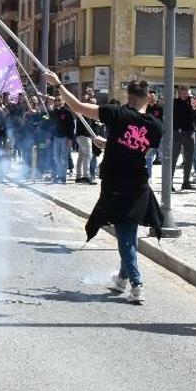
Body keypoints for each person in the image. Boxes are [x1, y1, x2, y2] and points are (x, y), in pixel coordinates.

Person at [46, 73, 162, 305]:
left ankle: (136, 283)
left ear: (128, 96)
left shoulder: (115, 113)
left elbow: (77, 106)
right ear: (148, 97)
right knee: (129, 231)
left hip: (117, 183)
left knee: (125, 234)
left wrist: (57, 84)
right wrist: (109, 143)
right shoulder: (156, 125)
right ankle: (122, 279)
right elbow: (143, 151)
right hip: (138, 182)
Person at [172, 85, 196, 190]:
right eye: (182, 91)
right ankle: (169, 182)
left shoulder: (191, 102)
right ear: (179, 92)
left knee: (189, 158)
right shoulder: (174, 102)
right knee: (173, 158)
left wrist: (192, 102)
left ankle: (186, 182)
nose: (184, 94)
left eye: (186, 92)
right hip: (176, 132)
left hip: (189, 133)